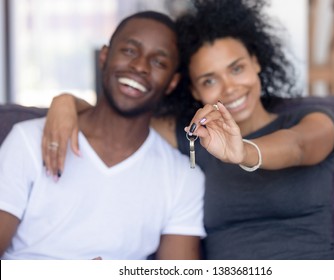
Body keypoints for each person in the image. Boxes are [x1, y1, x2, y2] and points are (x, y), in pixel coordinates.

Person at [41, 0, 334, 259]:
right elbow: (119, 119)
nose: (230, 88)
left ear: (256, 62)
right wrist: (66, 102)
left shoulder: (311, 121)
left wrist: (244, 151)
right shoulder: (196, 137)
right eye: (210, 80)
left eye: (237, 69)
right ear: (193, 89)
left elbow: (297, 147)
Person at [0, 11, 206, 260]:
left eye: (158, 62)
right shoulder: (28, 140)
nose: (139, 66)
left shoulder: (182, 177)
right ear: (105, 56)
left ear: (172, 82)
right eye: (129, 51)